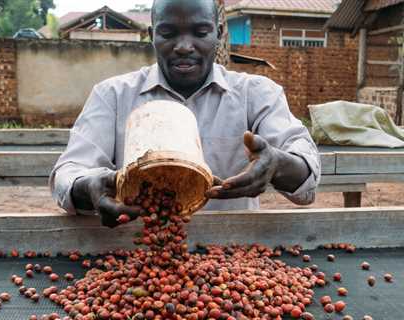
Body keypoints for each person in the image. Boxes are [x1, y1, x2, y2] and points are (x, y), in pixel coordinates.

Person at [50, 0, 321, 228]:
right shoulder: (113, 96)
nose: (183, 46)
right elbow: (68, 172)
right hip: (136, 252)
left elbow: (306, 175)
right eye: (168, 33)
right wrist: (89, 187)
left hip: (233, 254)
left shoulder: (257, 94)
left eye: (200, 32)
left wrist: (277, 163)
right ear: (151, 34)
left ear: (219, 32)